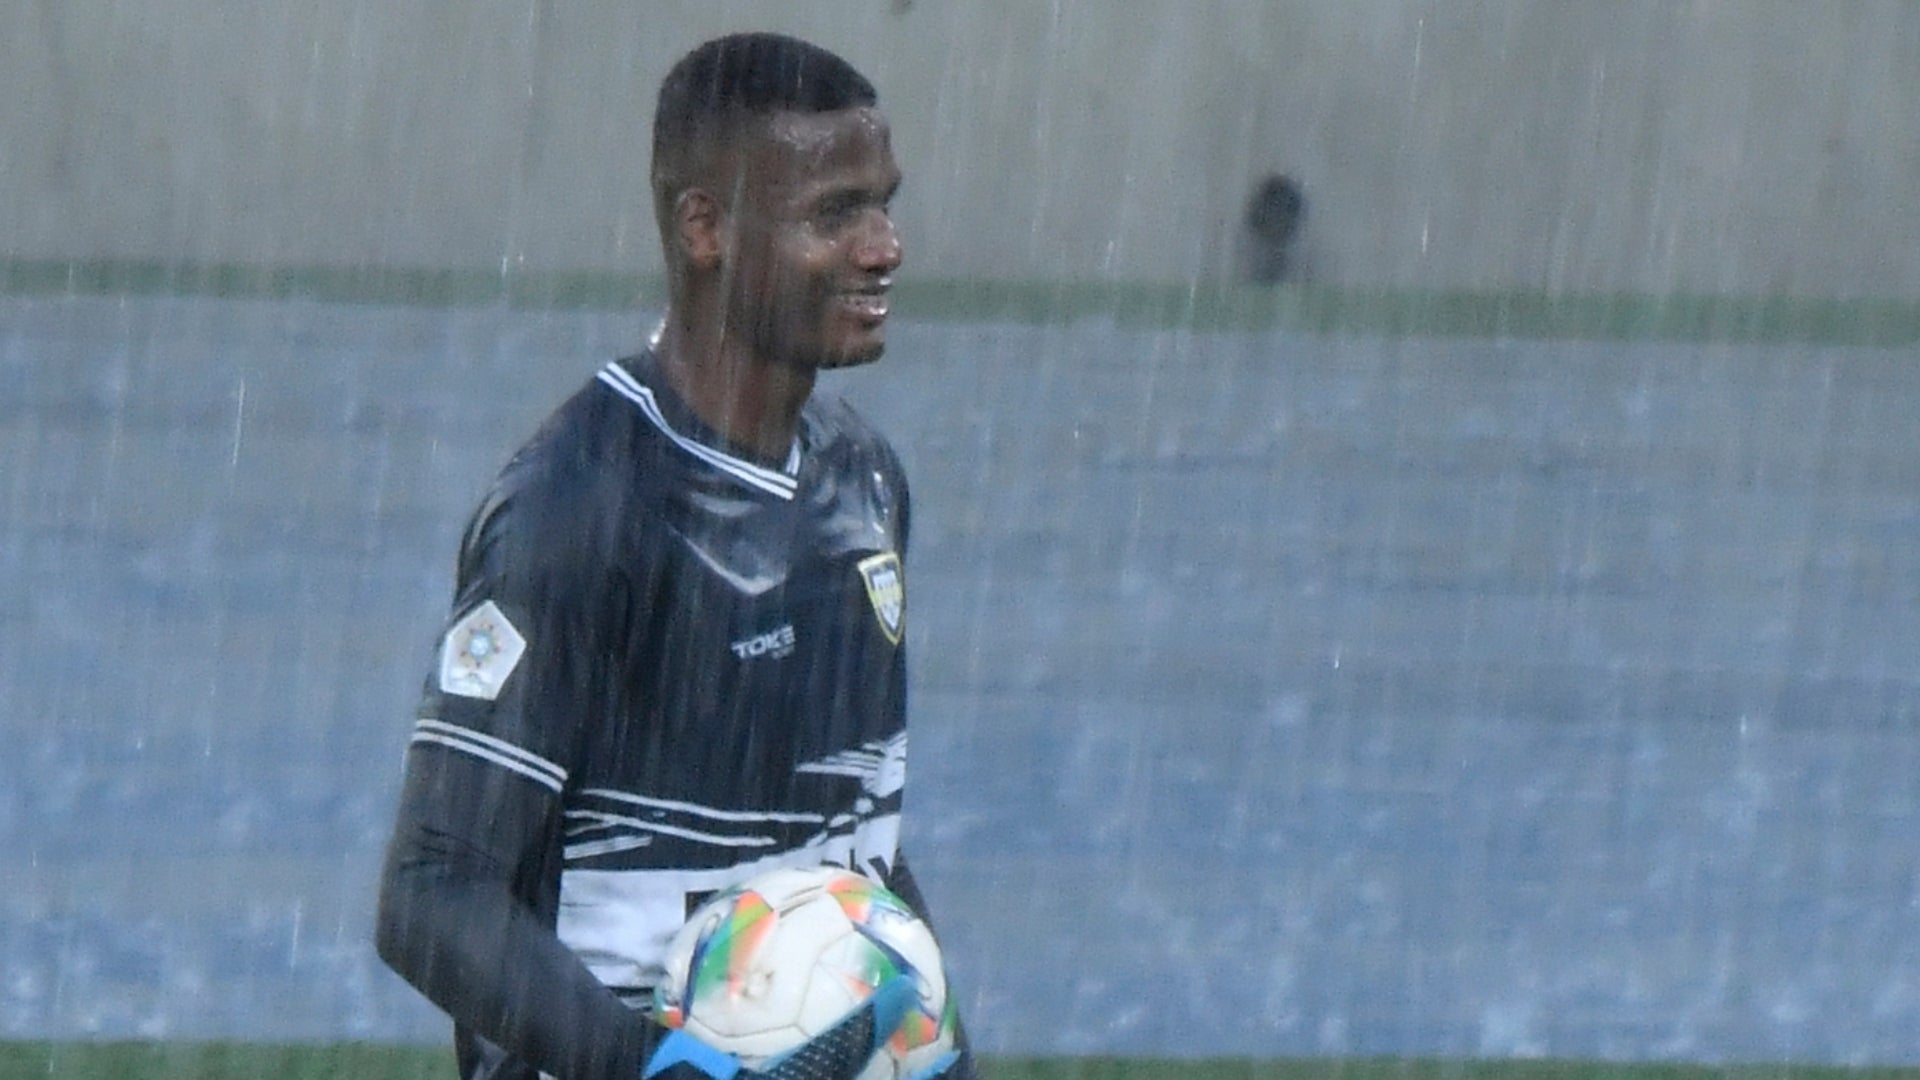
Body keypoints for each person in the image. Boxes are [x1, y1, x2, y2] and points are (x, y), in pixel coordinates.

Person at [376, 32, 973, 1080]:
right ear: (705, 227)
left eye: (885, 203)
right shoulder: (579, 507)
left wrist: (930, 1036)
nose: (885, 247)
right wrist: (653, 1069)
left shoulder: (866, 482)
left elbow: (849, 835)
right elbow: (435, 891)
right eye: (837, 214)